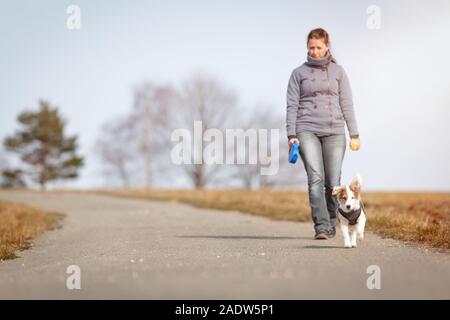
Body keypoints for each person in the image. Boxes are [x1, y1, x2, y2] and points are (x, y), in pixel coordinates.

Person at [286, 27, 360, 239]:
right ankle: (321, 226)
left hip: (334, 131)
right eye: (311, 47)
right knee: (315, 178)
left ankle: (330, 221)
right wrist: (291, 133)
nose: (315, 51)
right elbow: (292, 105)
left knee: (333, 180)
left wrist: (354, 133)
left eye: (318, 47)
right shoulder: (298, 74)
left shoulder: (338, 72)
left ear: (327, 46)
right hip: (306, 128)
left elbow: (347, 104)